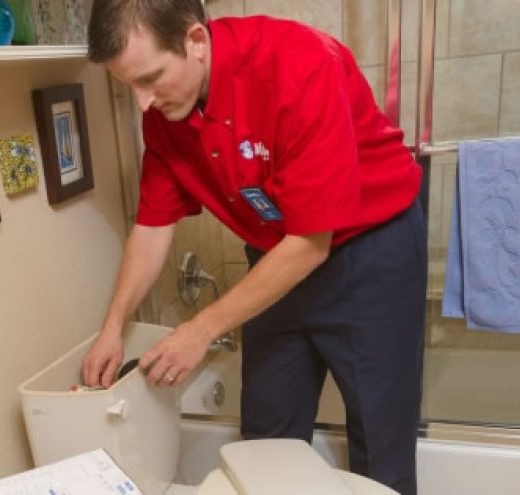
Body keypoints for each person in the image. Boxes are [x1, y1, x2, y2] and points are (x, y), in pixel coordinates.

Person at [81, 2, 427, 494]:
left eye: (151, 78)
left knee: (379, 436)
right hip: (274, 256)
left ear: (196, 41)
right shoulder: (164, 114)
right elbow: (153, 225)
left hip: (369, 252)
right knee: (265, 437)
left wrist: (200, 329)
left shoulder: (301, 65)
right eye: (129, 85)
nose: (142, 103)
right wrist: (113, 326)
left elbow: (311, 243)